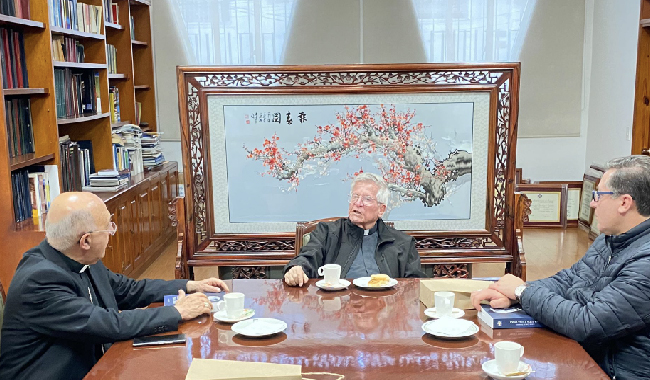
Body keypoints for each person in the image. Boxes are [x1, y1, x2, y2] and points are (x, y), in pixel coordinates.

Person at [0, 192, 230, 380]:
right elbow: (107, 324)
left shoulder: (76, 257)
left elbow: (128, 290)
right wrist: (178, 311)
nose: (112, 232)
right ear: (86, 240)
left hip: (97, 366)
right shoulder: (39, 281)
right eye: (108, 227)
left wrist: (190, 285)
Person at [471, 155, 650, 380]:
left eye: (598, 196)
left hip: (613, 371)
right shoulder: (610, 239)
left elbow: (588, 322)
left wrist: (522, 292)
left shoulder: (645, 263)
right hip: (586, 357)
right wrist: (514, 294)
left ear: (624, 202)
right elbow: (570, 279)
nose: (593, 203)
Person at [284, 173, 425, 286]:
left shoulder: (402, 243)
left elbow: (415, 284)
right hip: (337, 307)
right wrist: (297, 268)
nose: (357, 203)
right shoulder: (327, 232)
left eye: (367, 199)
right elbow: (308, 256)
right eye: (355, 196)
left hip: (385, 310)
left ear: (381, 209)